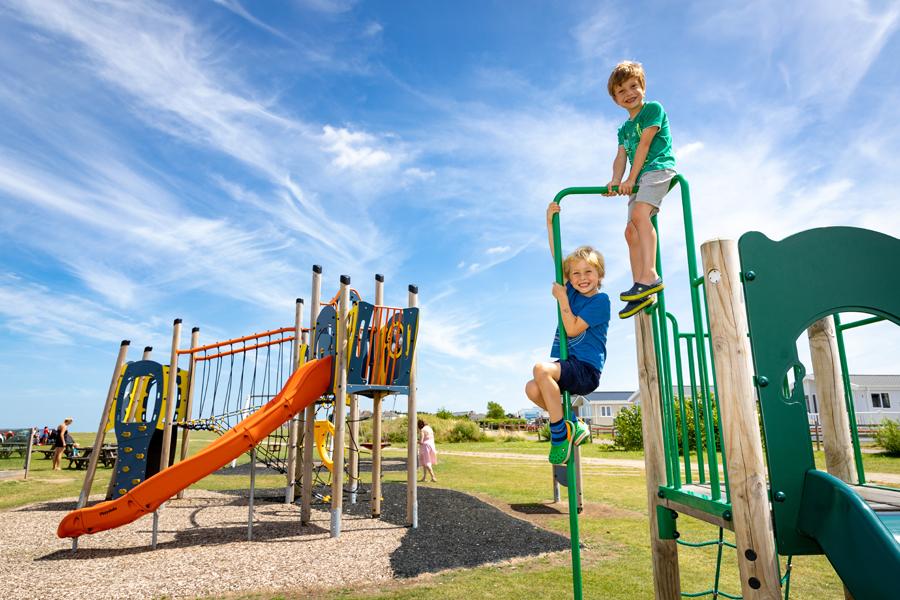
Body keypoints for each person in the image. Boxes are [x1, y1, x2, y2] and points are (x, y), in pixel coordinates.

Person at [525, 204, 611, 465]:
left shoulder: (601, 301)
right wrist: (550, 223)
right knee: (531, 388)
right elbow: (556, 256)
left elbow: (572, 328)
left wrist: (562, 298)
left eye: (588, 272)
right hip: (569, 365)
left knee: (540, 369)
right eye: (576, 273)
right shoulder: (572, 288)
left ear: (599, 275)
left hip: (586, 370)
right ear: (570, 278)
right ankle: (572, 423)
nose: (582, 277)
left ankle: (560, 434)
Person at [604, 60, 676, 319]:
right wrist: (615, 180)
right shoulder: (623, 128)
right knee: (630, 231)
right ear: (615, 98)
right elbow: (621, 156)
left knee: (640, 216)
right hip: (639, 176)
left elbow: (644, 146)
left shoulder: (652, 110)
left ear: (643, 87)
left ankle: (651, 275)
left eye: (633, 86)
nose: (629, 94)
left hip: (657, 168)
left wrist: (630, 180)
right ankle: (641, 286)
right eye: (621, 91)